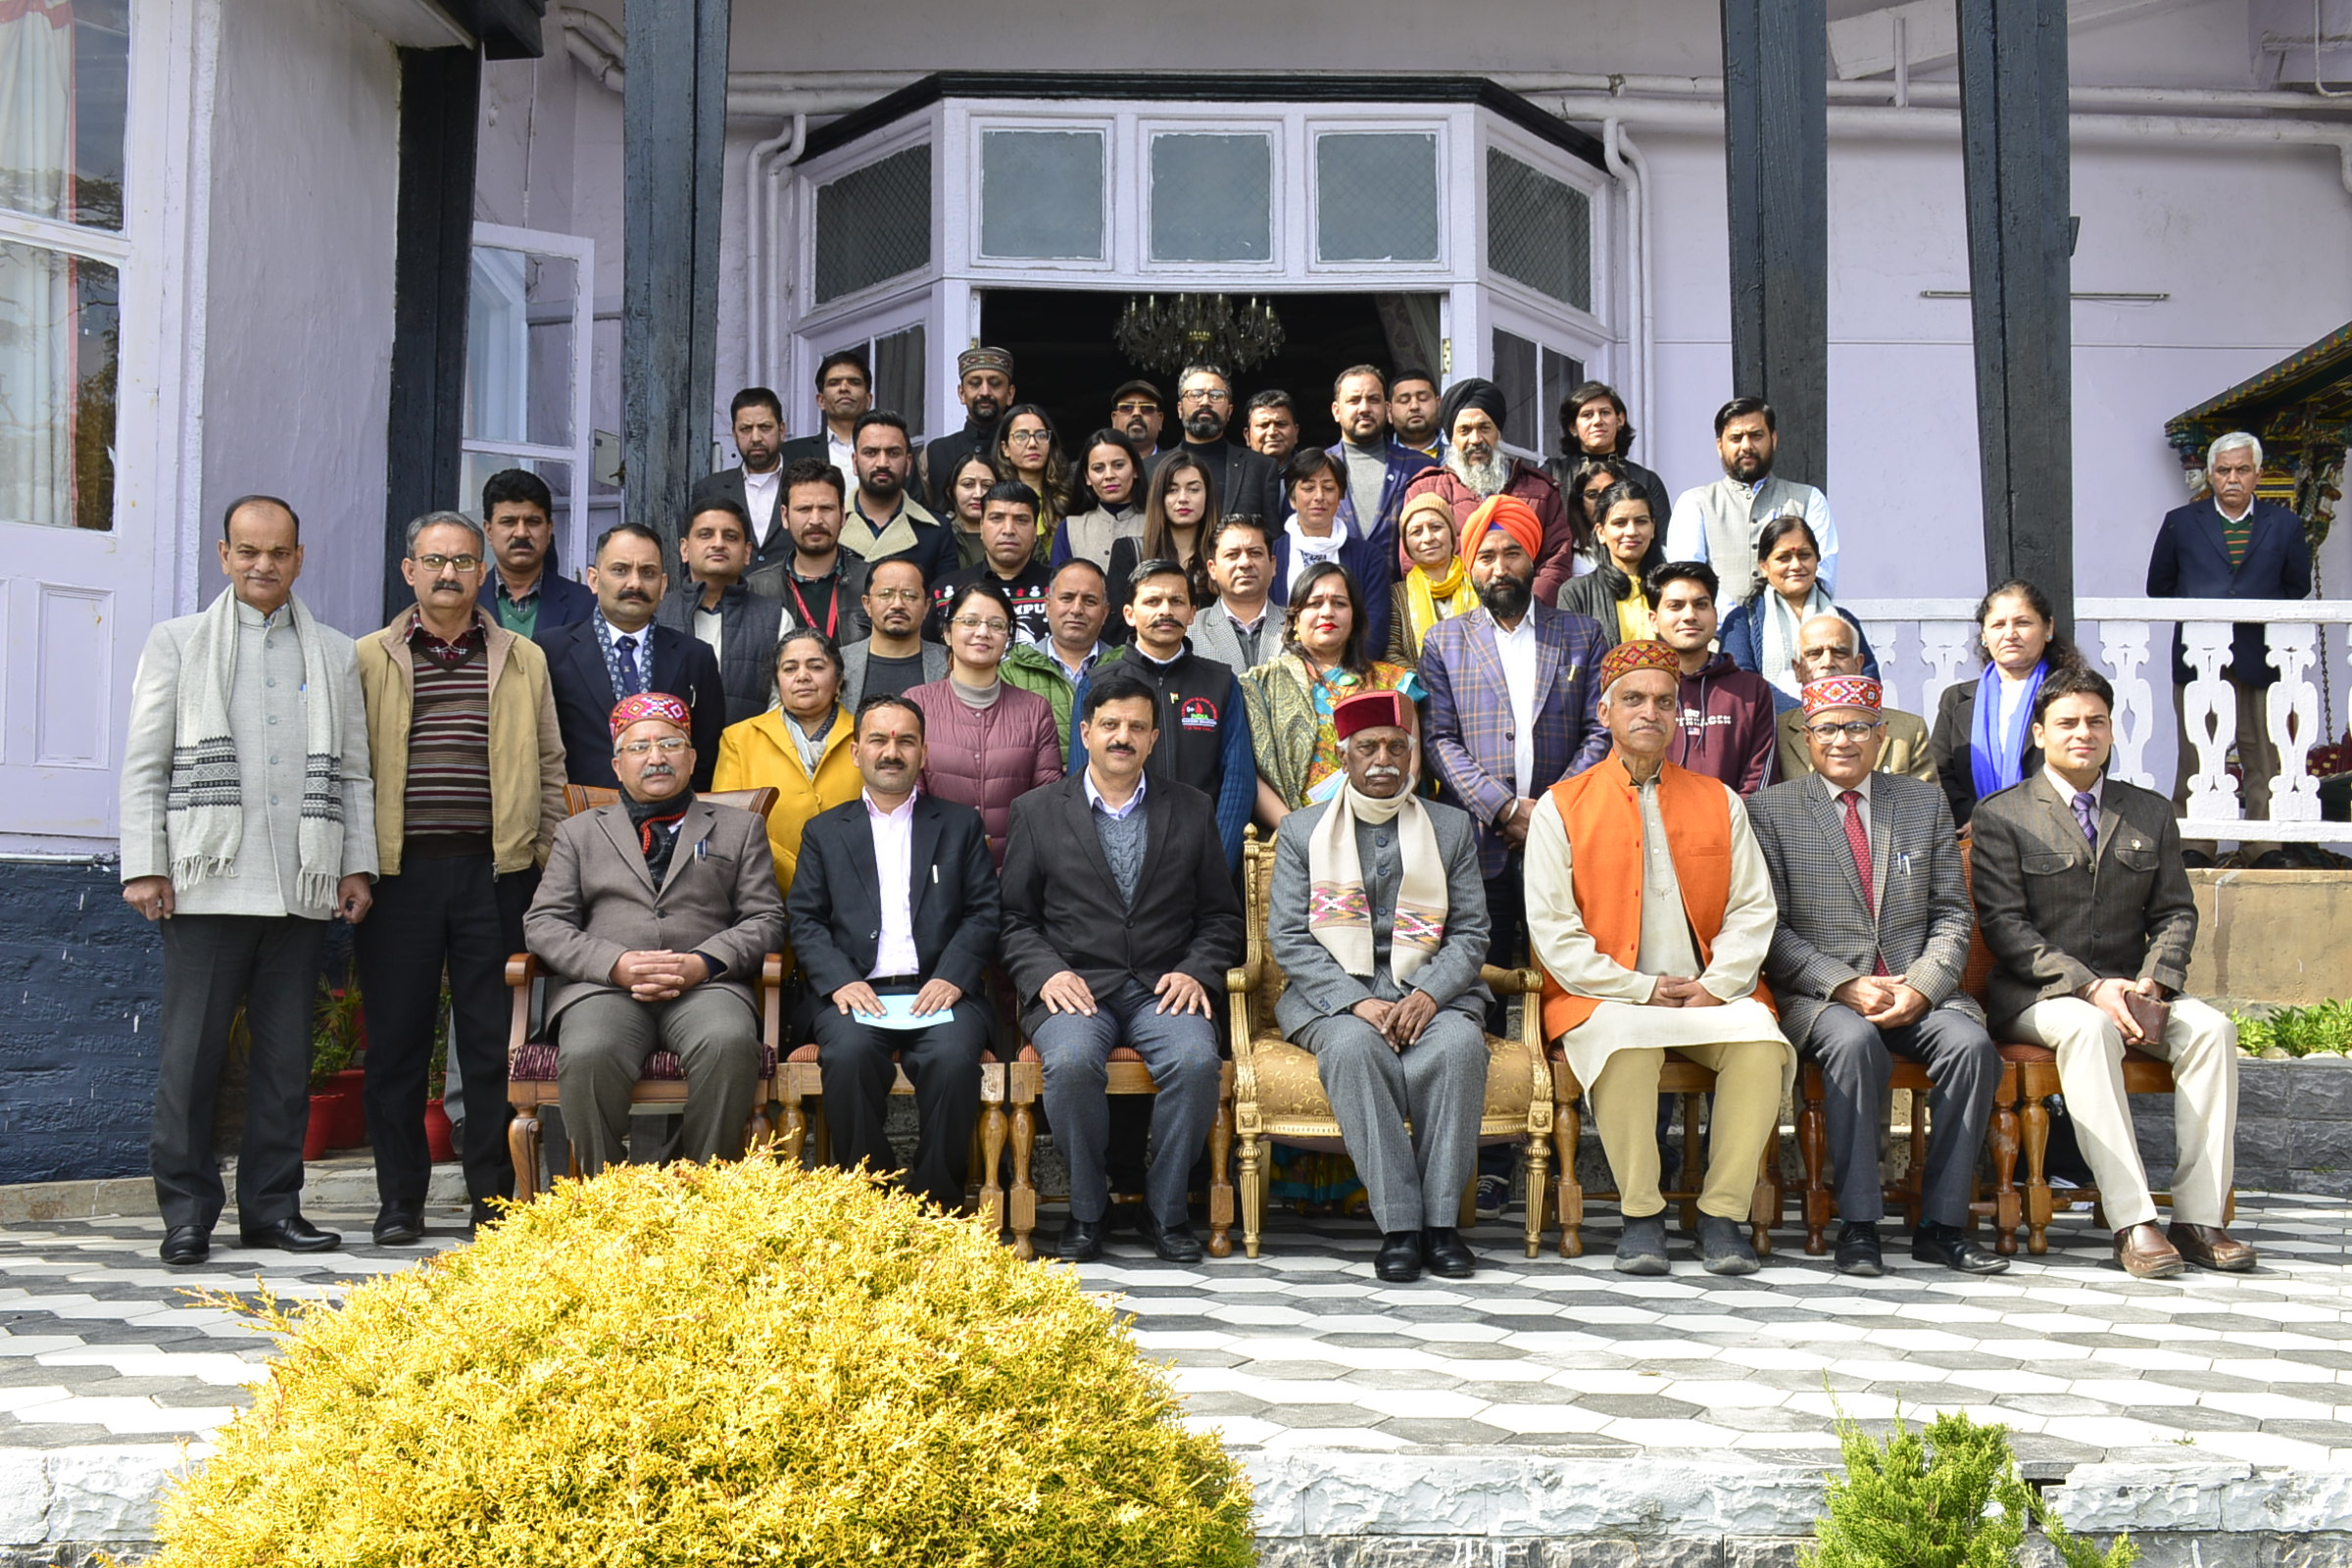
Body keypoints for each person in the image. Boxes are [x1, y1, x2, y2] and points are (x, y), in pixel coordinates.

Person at [120, 495, 377, 1265]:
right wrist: (147, 864)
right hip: (206, 883)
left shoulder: (333, 651)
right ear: (224, 556)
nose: (263, 564)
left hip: (301, 885)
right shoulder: (178, 643)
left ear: (298, 558)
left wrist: (355, 862)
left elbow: (356, 773)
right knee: (190, 1059)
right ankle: (187, 1214)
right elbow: (146, 764)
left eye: (278, 552)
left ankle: (271, 1209)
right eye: (248, 551)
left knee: (285, 1063)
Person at [1970, 667, 2253, 1278]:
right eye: (2067, 723)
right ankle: (2134, 1222)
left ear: (2111, 732)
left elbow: (2176, 911)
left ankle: (2200, 1219)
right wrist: (2091, 987)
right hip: (2040, 996)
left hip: (2136, 987)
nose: (2084, 733)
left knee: (2213, 1031)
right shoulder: (2004, 815)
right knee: (2088, 1028)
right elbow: (2006, 927)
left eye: (2096, 722)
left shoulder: (2148, 811)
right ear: (2039, 734)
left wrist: (2153, 982)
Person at [1524, 640, 1793, 1277]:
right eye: (1635, 700)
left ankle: (1722, 1216)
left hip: (1707, 998)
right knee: (1625, 1041)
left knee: (1762, 1042)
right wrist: (1637, 988)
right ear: (1605, 711)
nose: (1651, 712)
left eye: (1666, 702)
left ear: (1679, 716)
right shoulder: (1561, 807)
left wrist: (1719, 984)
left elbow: (1752, 910)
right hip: (1609, 997)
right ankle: (1642, 1217)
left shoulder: (1719, 801)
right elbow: (1553, 932)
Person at [354, 509, 564, 1244]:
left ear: (484, 573)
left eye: (463, 562)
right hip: (399, 879)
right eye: (434, 561)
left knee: (489, 1048)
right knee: (397, 1047)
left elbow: (549, 767)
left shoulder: (521, 657)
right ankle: (399, 1202)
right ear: (408, 570)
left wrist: (541, 866)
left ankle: (492, 1200)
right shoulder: (368, 657)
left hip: (494, 876)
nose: (449, 574)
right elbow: (353, 771)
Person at [1749, 676, 2007, 1277]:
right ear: (1806, 737)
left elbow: (1951, 911)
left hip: (1918, 989)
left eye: (1858, 727)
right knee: (1854, 1042)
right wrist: (1840, 983)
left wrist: (1922, 984)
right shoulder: (1769, 811)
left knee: (1971, 1047)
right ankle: (1859, 1226)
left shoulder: (1921, 805)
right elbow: (1768, 927)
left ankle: (1942, 1225)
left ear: (1882, 736)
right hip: (1824, 998)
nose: (1843, 740)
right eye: (1828, 728)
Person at [999, 672, 1246, 1264]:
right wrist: (1046, 974)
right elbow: (1012, 919)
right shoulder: (1037, 811)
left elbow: (1221, 916)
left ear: (1155, 738)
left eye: (1136, 726)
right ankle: (1089, 1208)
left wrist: (1196, 970)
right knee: (1072, 1062)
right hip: (1075, 986)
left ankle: (1164, 1210)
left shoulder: (1191, 807)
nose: (1122, 737)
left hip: (1164, 988)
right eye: (1109, 725)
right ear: (1085, 732)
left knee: (1195, 1062)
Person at [1269, 691, 1494, 1284]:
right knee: (1352, 1048)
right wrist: (1357, 1000)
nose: (1383, 760)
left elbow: (1471, 933)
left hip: (1432, 992)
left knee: (1459, 1048)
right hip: (1336, 997)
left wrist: (1428, 994)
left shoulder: (1449, 829)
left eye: (1397, 746)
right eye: (1368, 747)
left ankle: (1440, 1227)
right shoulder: (1302, 831)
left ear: (1412, 755)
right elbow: (1290, 939)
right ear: (1344, 758)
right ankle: (1400, 1226)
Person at [525, 693, 784, 1176]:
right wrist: (614, 964)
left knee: (729, 1042)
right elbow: (543, 924)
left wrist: (703, 962)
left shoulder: (740, 828)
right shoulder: (579, 832)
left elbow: (765, 919)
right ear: (618, 764)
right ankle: (610, 1195)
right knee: (588, 1052)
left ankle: (701, 1189)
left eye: (670, 744)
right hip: (605, 987)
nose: (656, 757)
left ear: (691, 757)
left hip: (707, 985)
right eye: (640, 747)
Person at [787, 694, 1002, 1212]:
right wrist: (839, 981)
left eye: (905, 741)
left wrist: (952, 977)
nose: (892, 752)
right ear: (856, 751)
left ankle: (937, 1205)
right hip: (858, 992)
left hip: (938, 989)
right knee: (850, 1056)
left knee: (952, 1061)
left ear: (923, 753)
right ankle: (872, 1203)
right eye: (879, 740)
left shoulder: (958, 825)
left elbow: (983, 911)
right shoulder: (824, 832)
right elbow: (805, 918)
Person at [1420, 494, 1610, 980]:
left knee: (1569, 978)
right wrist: (1503, 807)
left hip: (1566, 838)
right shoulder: (1445, 642)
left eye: (1512, 554)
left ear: (1532, 558)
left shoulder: (1581, 635)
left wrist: (1546, 812)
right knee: (1484, 982)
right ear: (1470, 566)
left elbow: (1599, 731)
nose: (1499, 568)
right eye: (1486, 557)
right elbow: (1439, 739)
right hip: (1481, 841)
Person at [2147, 430, 2312, 863]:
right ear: (2211, 475)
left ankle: (2263, 846)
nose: (2233, 479)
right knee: (2197, 750)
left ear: (2258, 474)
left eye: (2242, 470)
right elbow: (2159, 587)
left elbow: (2296, 587)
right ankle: (2195, 844)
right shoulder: (2181, 522)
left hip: (2262, 656)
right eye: (2224, 470)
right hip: (2199, 659)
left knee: (2264, 752)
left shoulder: (2285, 523)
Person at [1072, 560, 1255, 873]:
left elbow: (1238, 783)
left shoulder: (1221, 682)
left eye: (1177, 601)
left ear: (1192, 613)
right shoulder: (1098, 683)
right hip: (1121, 863)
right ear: (1129, 613)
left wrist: (1216, 865)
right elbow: (1081, 780)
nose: (1166, 611)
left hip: (1204, 862)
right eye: (1153, 601)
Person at [537, 523, 724, 792]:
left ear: (663, 586)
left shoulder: (696, 656)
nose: (635, 583)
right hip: (581, 820)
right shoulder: (551, 651)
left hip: (672, 820)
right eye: (620, 570)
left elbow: (706, 756)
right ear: (593, 579)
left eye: (647, 572)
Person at [1241, 561, 1423, 826]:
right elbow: (1251, 775)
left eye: (1339, 603)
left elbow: (1411, 768)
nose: (1327, 612)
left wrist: (1372, 820)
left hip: (1381, 825)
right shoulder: (1261, 685)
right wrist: (1295, 830)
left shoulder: (1394, 682)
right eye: (1315, 604)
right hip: (1296, 834)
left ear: (1355, 618)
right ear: (1294, 619)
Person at [906, 580, 1062, 863]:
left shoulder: (1035, 709)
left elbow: (1046, 800)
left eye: (996, 625)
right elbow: (909, 797)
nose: (982, 632)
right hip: (935, 870)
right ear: (947, 633)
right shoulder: (917, 704)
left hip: (1015, 873)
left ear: (1008, 638)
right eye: (970, 621)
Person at [1398, 378, 1579, 604]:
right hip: (1451, 623)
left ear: (1498, 433)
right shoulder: (1424, 490)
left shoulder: (1541, 490)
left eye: (1484, 428)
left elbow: (1556, 561)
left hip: (1526, 619)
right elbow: (1413, 561)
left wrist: (1522, 610)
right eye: (1464, 430)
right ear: (1451, 438)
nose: (1475, 439)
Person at [712, 626, 862, 895]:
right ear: (777, 680)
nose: (802, 676)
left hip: (851, 892)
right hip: (765, 891)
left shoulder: (865, 737)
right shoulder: (739, 739)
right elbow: (728, 825)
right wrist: (796, 875)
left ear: (839, 679)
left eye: (816, 667)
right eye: (790, 668)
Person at [1930, 578, 2080, 832]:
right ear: (1984, 636)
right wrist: (1977, 818)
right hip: (1974, 837)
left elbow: (2083, 765)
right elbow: (1939, 772)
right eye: (1998, 624)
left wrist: (2018, 822)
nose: (2010, 634)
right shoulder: (1956, 699)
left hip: (2052, 835)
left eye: (2023, 622)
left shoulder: (2073, 696)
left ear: (2048, 628)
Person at [1664, 396, 1840, 598]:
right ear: (1720, 446)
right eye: (1736, 438)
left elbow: (1823, 576)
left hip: (1793, 625)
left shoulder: (1809, 499)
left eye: (1756, 435)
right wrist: (1732, 620)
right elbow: (1687, 577)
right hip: (1719, 628)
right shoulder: (1694, 503)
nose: (1746, 446)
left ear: (1773, 440)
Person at [1718, 514, 1880, 711]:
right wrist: (1801, 714)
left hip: (1838, 730)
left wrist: (1834, 717)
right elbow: (1741, 680)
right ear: (1764, 567)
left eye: (1804, 555)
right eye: (1783, 558)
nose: (1796, 565)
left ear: (1817, 560)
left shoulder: (1842, 620)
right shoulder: (1742, 621)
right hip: (1768, 732)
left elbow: (1868, 675)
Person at [654, 499, 788, 727]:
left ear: (747, 553)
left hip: (749, 758)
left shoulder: (775, 618)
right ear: (685, 549)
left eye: (730, 536)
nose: (718, 544)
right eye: (706, 535)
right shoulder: (657, 615)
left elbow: (783, 701)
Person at [1649, 562, 1777, 797]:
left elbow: (1758, 781)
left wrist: (1726, 825)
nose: (1689, 615)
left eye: (1701, 605)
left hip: (1732, 829)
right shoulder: (1638, 690)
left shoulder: (1751, 691)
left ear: (1715, 615)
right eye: (1675, 606)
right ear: (1653, 619)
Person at [1775, 613, 1936, 785]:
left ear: (1858, 664)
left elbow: (1927, 806)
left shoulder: (1909, 730)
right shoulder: (1777, 732)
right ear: (1798, 670)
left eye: (1840, 653)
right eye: (1814, 654)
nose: (1828, 662)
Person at [1274, 447, 1398, 656]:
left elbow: (1375, 629)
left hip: (1351, 677)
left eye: (1329, 487)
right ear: (1292, 499)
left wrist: (1340, 673)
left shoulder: (1369, 558)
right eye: (1308, 487)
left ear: (1340, 496)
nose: (1319, 496)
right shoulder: (1272, 554)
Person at [1151, 363, 1283, 526]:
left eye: (1216, 395)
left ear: (1229, 411)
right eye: (1195, 394)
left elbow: (1271, 534)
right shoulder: (1151, 468)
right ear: (1179, 409)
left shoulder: (1260, 467)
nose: (1205, 402)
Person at [1004, 559, 1113, 754]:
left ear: (1105, 613)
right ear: (1048, 605)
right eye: (1067, 598)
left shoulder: (1123, 668)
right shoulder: (1012, 672)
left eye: (1089, 601)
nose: (1077, 609)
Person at [844, 412, 957, 588]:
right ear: (855, 462)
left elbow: (943, 605)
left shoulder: (937, 530)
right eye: (871, 452)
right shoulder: (832, 524)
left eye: (893, 453)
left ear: (909, 463)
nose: (882, 463)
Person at [1556, 478, 1667, 652]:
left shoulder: (1672, 588)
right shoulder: (1576, 593)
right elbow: (1571, 662)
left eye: (1641, 521)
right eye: (1619, 523)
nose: (1631, 531)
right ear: (1601, 533)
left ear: (1653, 528)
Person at [937, 480, 1053, 646]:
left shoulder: (1061, 592)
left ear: (1035, 531)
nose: (1008, 530)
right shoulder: (945, 592)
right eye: (997, 518)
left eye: (1021, 520)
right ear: (982, 527)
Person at [483, 467, 594, 637]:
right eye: (508, 522)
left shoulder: (587, 605)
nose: (521, 533)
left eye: (533, 522)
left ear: (549, 529)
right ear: (489, 530)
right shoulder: (464, 601)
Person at [691, 388, 794, 569]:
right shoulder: (710, 489)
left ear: (782, 430)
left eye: (765, 427)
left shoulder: (803, 483)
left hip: (793, 593)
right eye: (746, 429)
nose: (756, 438)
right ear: (734, 433)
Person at [1111, 447, 1218, 615]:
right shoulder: (1130, 551)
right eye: (1172, 490)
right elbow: (1117, 626)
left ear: (1207, 495)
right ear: (1159, 497)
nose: (1183, 498)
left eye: (1193, 489)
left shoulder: (1222, 557)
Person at [1546, 380, 1670, 520]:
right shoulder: (1553, 475)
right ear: (1573, 427)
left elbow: (1663, 540)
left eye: (1605, 412)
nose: (1598, 421)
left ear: (1620, 420)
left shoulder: (1646, 480)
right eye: (1587, 415)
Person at [1328, 366, 1426, 542]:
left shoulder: (1421, 467)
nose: (1364, 408)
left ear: (1388, 409)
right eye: (1354, 400)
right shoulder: (1318, 467)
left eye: (1373, 399)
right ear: (1336, 411)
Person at [839, 558, 947, 710]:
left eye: (910, 596)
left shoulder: (951, 663)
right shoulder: (839, 664)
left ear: (926, 607)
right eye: (885, 595)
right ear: (867, 604)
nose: (897, 605)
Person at [919, 345, 1015, 513]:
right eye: (975, 384)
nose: (985, 392)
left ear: (1010, 394)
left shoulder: (1021, 450)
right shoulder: (935, 453)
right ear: (962, 393)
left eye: (995, 384)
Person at [1389, 492, 1478, 666]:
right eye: (1416, 532)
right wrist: (1429, 685)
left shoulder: (1479, 585)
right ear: (1406, 544)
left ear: (1452, 535)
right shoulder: (1397, 595)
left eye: (1436, 527)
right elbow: (1391, 652)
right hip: (1422, 691)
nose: (1428, 538)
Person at [1191, 514, 1286, 676]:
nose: (1245, 563)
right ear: (1212, 569)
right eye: (1232, 555)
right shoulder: (1190, 631)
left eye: (1255, 553)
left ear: (1273, 565)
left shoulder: (1298, 626)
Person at [773, 350, 870, 491]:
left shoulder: (891, 450)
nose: (844, 388)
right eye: (834, 383)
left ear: (869, 400)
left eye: (854, 382)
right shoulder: (792, 453)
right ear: (821, 401)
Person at [1053, 429, 1146, 572]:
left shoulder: (1156, 522)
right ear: (1087, 477)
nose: (1109, 475)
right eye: (1098, 468)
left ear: (1135, 470)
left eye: (1118, 465)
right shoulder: (1070, 528)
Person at [992, 405, 1068, 562]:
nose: (1032, 443)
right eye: (1021, 436)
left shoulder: (1067, 498)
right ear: (1005, 448)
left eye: (1040, 435)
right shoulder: (993, 500)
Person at [942, 449, 999, 573]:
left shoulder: (1013, 533)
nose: (978, 494)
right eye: (968, 485)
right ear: (951, 492)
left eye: (987, 485)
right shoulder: (939, 537)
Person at [1388, 368, 1443, 461]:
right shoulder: (1380, 460)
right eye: (1404, 400)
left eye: (1423, 398)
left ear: (1439, 405)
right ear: (1389, 411)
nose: (1414, 406)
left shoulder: (1456, 459)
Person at [1109, 377, 1165, 462]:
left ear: (1160, 421)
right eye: (1127, 407)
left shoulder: (1176, 470)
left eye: (1147, 408)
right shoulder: (1099, 470)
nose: (1136, 413)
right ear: (1114, 420)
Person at [1245, 389, 1300, 467]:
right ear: (1247, 436)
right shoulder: (1234, 474)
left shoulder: (1316, 471)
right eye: (1263, 425)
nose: (1272, 432)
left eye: (1280, 424)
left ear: (1296, 432)